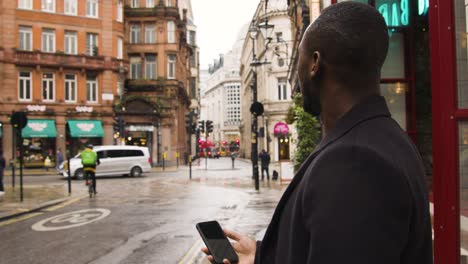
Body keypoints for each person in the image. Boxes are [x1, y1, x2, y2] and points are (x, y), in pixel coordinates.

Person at [202, 2, 433, 264]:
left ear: (314, 63)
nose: (296, 77)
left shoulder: (354, 163)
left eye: (299, 57)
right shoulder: (386, 138)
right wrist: (262, 257)